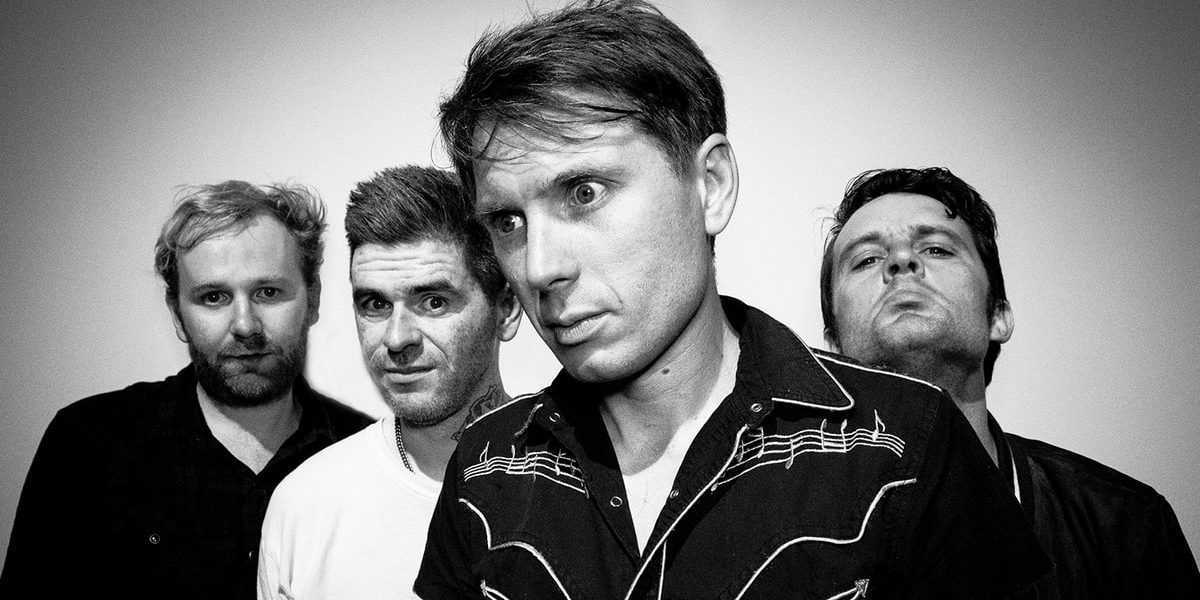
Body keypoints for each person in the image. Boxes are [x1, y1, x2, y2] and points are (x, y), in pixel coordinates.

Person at [415, 1, 1050, 598]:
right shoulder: (481, 470)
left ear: (711, 185)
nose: (539, 267)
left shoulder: (908, 444)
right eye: (507, 222)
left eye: (584, 193)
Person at [820, 166, 1200, 598]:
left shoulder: (1124, 526)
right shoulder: (780, 536)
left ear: (997, 316)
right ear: (833, 347)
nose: (901, 261)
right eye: (867, 259)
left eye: (937, 249)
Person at [0, 181, 373, 600]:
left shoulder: (370, 458)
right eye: (213, 297)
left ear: (313, 299)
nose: (245, 325)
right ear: (177, 314)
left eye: (268, 293)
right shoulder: (89, 444)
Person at [256, 166, 521, 599]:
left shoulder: (583, 487)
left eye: (433, 302)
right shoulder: (304, 506)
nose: (397, 339)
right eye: (375, 304)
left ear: (506, 309)